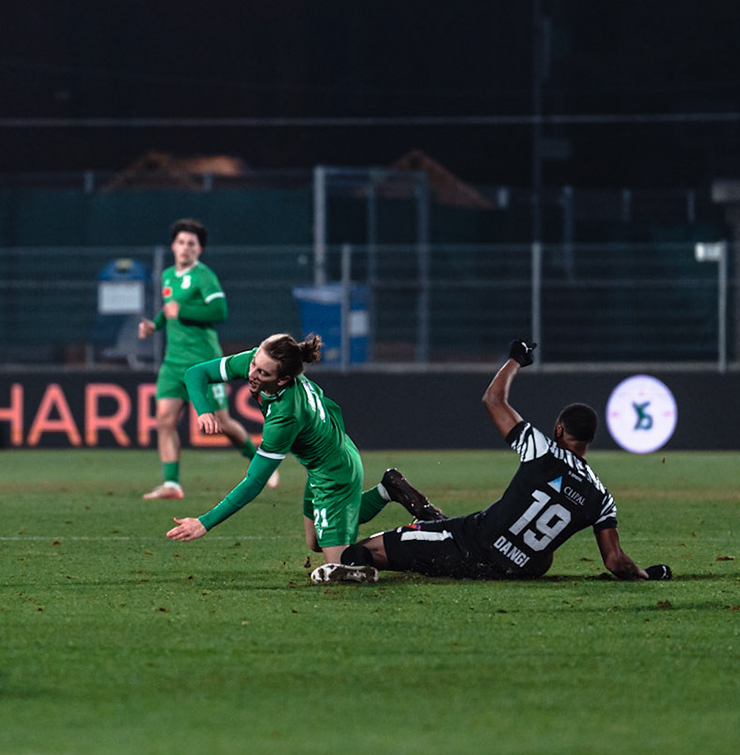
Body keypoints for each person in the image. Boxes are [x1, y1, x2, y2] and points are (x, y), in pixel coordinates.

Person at [341, 340, 670, 584]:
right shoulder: (602, 498)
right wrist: (646, 574)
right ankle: (423, 512)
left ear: (559, 429)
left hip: (468, 547)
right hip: (515, 570)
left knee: (360, 553)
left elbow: (493, 400)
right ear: (590, 440)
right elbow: (614, 561)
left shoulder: (542, 450)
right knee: (537, 557)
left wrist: (515, 359)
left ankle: (402, 496)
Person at [164, 332, 438, 581]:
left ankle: (417, 543)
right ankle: (387, 490)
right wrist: (204, 410)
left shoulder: (286, 415)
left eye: (262, 372)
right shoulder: (262, 360)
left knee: (341, 565)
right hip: (327, 460)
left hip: (334, 473)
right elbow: (195, 373)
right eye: (253, 365)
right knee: (315, 542)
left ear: (283, 379)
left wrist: (205, 522)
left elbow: (254, 482)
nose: (251, 374)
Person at [137, 218, 272, 498]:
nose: (185, 247)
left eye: (191, 243)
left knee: (222, 423)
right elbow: (170, 308)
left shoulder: (204, 276)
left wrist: (183, 312)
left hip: (204, 362)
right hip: (173, 363)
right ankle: (172, 484)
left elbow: (219, 312)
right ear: (173, 246)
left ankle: (259, 462)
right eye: (181, 242)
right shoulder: (168, 276)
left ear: (199, 250)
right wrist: (154, 325)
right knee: (164, 420)